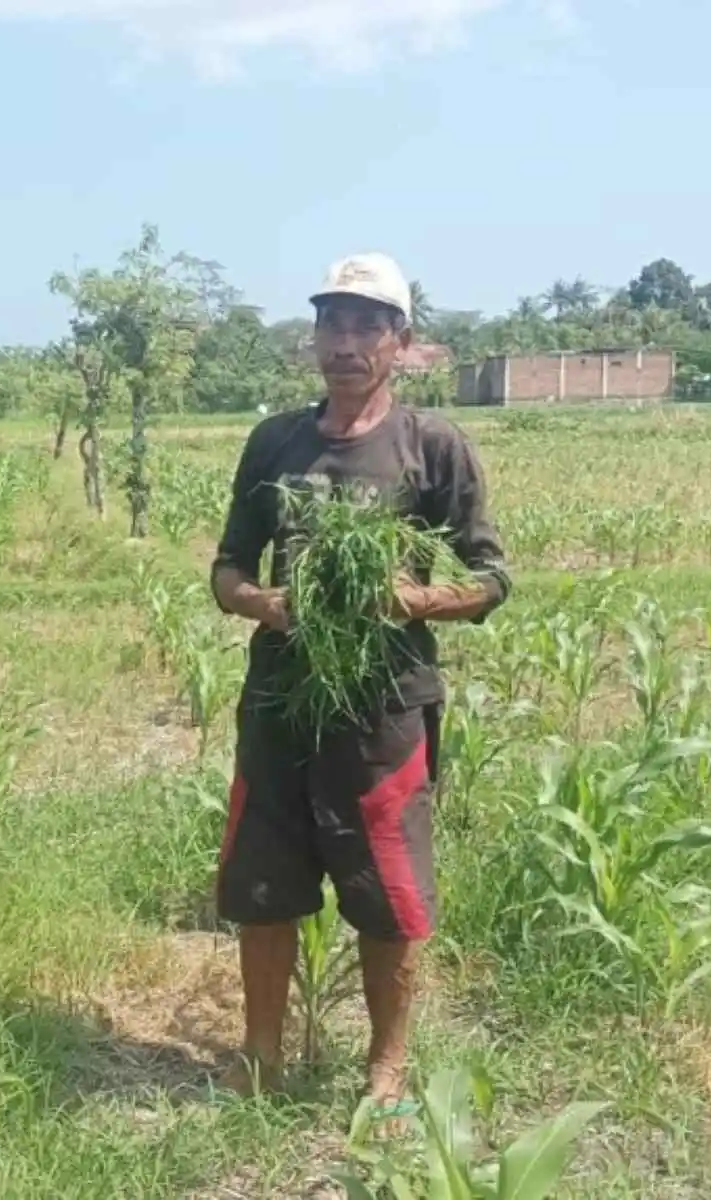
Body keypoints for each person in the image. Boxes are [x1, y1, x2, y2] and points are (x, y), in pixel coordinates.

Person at [208, 252, 510, 1116]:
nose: (346, 343)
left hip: (382, 709)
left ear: (401, 343)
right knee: (263, 885)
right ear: (314, 340)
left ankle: (385, 1068)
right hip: (278, 702)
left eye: (366, 326)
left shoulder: (433, 445)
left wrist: (410, 598)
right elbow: (227, 568)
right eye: (332, 325)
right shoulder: (275, 441)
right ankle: (261, 1055)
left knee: (387, 895)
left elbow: (491, 578)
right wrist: (262, 603)